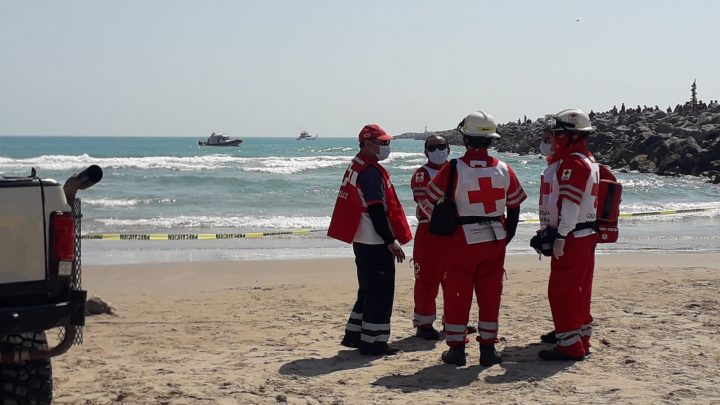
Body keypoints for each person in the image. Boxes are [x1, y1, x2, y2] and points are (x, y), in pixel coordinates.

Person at [421, 110, 526, 366]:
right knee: (491, 295)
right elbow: (515, 207)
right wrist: (506, 237)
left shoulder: (453, 168)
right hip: (495, 240)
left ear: (465, 138)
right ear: (491, 140)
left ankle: (457, 350)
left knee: (458, 294)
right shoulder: (504, 169)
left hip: (461, 241)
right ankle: (488, 350)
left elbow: (427, 202)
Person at [327, 123, 412, 356]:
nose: (387, 147)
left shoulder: (358, 165)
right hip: (373, 240)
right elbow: (376, 210)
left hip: (362, 238)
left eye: (388, 142)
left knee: (367, 290)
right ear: (367, 144)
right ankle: (374, 343)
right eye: (383, 143)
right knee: (380, 293)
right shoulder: (370, 172)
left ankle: (355, 335)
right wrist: (390, 240)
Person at [535, 108, 601, 361]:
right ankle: (581, 336)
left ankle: (570, 345)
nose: (553, 138)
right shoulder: (587, 160)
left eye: (558, 134)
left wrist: (561, 235)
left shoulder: (573, 163)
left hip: (573, 236)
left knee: (563, 291)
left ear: (571, 136)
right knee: (580, 289)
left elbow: (570, 204)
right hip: (584, 235)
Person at [410, 135, 451, 340]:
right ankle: (424, 323)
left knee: (454, 281)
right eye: (433, 147)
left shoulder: (456, 169)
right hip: (430, 232)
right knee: (427, 280)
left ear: (449, 149)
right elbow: (424, 201)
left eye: (442, 146)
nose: (438, 150)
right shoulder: (421, 174)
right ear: (426, 152)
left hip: (453, 233)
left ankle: (453, 322)